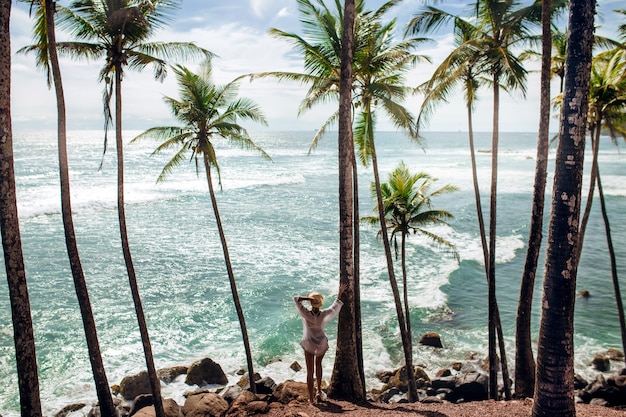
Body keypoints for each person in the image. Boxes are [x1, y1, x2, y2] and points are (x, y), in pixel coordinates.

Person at [294, 281, 347, 403]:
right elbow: (335, 307)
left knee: (310, 371)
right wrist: (339, 293)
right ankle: (318, 392)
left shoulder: (306, 313)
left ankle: (312, 399)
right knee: (318, 366)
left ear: (311, 303)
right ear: (320, 304)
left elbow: (296, 299)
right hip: (321, 342)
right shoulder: (324, 314)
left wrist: (307, 298)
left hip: (308, 343)